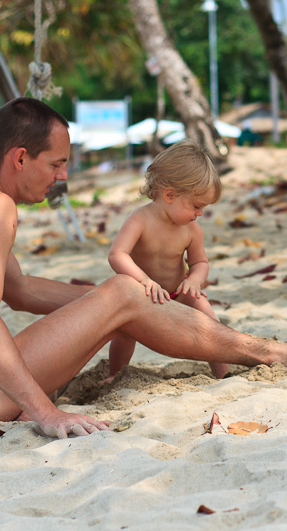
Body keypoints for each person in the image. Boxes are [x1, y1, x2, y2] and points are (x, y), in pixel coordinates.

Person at [0, 97, 287, 439]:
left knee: (123, 295)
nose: (63, 176)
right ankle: (279, 354)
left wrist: (130, 301)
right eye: (56, 164)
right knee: (123, 294)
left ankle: (223, 336)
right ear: (19, 158)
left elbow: (18, 290)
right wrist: (46, 413)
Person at [107, 140, 229, 381]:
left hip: (177, 292)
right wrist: (143, 281)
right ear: (170, 195)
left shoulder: (191, 229)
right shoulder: (140, 220)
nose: (200, 213)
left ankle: (223, 373)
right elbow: (117, 254)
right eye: (196, 205)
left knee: (207, 314)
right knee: (123, 332)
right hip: (142, 296)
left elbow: (200, 263)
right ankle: (115, 374)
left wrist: (194, 281)